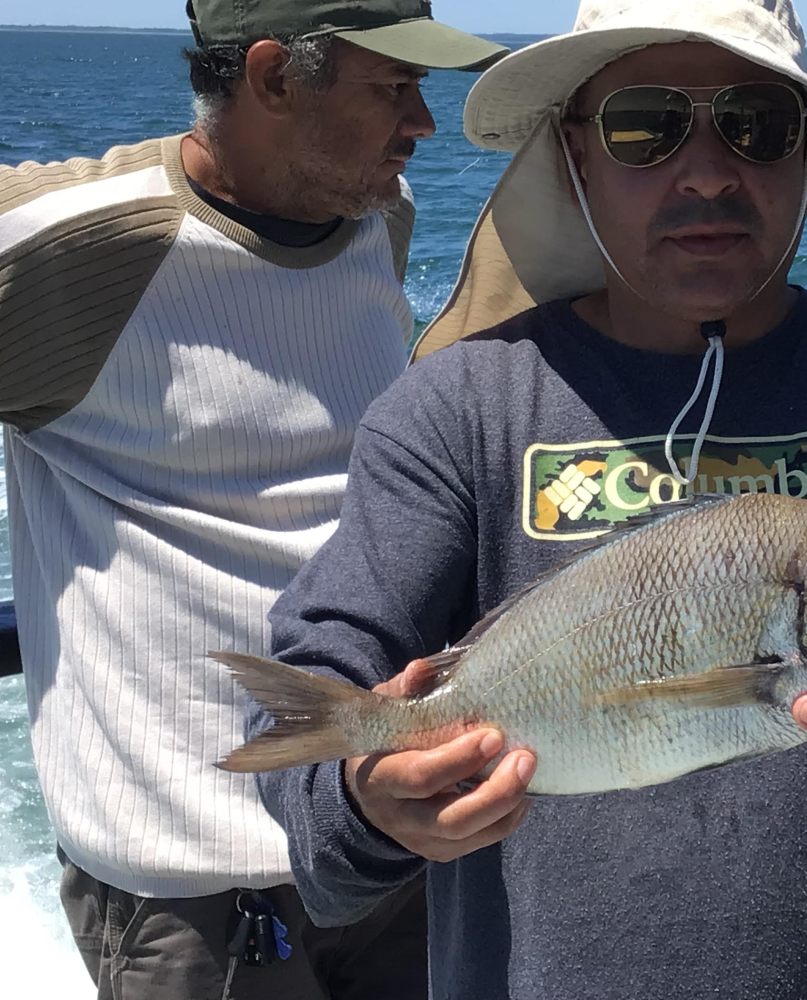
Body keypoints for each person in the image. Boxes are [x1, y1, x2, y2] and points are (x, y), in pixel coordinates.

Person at [256, 1, 807, 998]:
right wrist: (365, 801)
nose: (708, 172)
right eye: (644, 126)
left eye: (757, 125)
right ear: (575, 156)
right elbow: (324, 672)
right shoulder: (458, 406)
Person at [0, 2, 505, 997]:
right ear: (273, 78)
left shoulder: (376, 216)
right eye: (392, 87)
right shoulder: (63, 246)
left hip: (385, 835)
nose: (423, 124)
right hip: (197, 890)